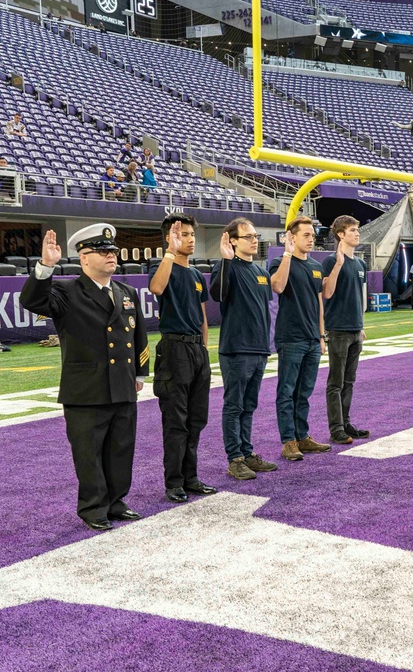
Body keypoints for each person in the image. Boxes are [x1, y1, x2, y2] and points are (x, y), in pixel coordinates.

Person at [20, 225, 148, 530]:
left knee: (120, 448)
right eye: (102, 251)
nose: (111, 256)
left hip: (122, 384)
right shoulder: (66, 291)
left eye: (113, 251)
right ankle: (93, 508)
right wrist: (46, 266)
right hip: (86, 389)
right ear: (83, 257)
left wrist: (141, 372)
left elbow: (138, 334)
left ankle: (116, 502)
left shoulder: (127, 292)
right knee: (89, 454)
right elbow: (32, 302)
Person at [148, 213, 217, 503]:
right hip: (174, 349)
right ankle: (173, 482)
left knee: (196, 419)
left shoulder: (196, 274)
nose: (189, 240)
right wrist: (169, 252)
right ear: (170, 237)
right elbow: (156, 288)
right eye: (183, 235)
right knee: (176, 420)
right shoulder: (161, 266)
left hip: (197, 352)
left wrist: (204, 347)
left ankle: (191, 478)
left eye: (191, 235)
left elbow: (202, 315)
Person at [210, 217, 278, 480]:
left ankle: (247, 452)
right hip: (237, 349)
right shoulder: (226, 266)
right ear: (232, 240)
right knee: (234, 405)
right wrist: (226, 260)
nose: (254, 240)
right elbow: (218, 294)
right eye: (248, 236)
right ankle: (235, 458)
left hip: (259, 348)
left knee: (249, 405)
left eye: (255, 236)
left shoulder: (261, 272)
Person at [269, 217, 331, 462]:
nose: (311, 238)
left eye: (312, 235)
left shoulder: (316, 266)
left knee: (304, 391)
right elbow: (277, 287)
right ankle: (288, 440)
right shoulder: (279, 261)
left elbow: (319, 303)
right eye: (306, 234)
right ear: (292, 237)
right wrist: (286, 255)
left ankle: (302, 435)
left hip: (312, 339)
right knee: (286, 391)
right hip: (291, 338)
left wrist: (321, 335)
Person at [322, 215, 370, 445]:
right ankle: (336, 428)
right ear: (340, 234)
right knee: (336, 382)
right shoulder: (331, 261)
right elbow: (326, 294)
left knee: (349, 381)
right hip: (338, 328)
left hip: (354, 329)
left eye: (356, 229)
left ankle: (346, 422)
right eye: (352, 230)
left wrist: (361, 324)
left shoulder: (360, 264)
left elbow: (359, 298)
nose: (357, 233)